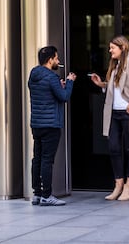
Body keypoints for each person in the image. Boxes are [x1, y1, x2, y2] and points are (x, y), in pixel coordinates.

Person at [90, 35, 129, 201]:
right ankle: (118, 185)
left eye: (113, 47)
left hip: (127, 113)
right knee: (114, 148)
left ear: (122, 48)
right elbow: (116, 88)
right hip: (114, 114)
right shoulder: (115, 65)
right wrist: (102, 84)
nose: (110, 50)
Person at [28, 46, 77, 206]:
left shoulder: (33, 75)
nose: (58, 61)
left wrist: (58, 85)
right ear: (50, 60)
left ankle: (37, 193)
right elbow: (64, 96)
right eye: (56, 58)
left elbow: (46, 94)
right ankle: (47, 195)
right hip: (51, 125)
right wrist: (69, 82)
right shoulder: (52, 77)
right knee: (47, 160)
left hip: (37, 124)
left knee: (38, 159)